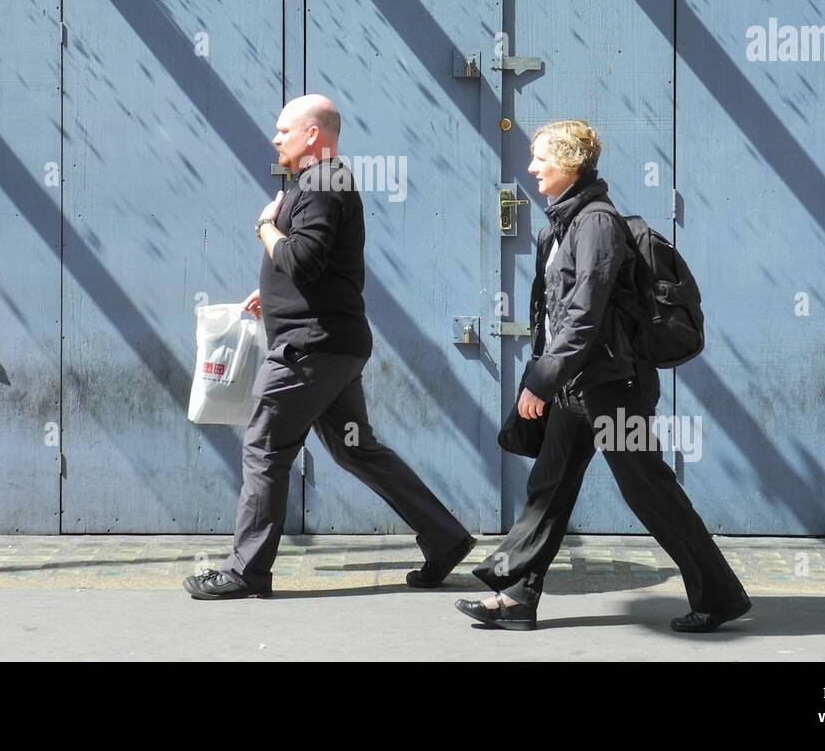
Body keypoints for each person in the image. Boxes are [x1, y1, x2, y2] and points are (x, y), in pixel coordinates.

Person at [455, 120, 751, 632]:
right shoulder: (561, 225)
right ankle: (517, 597)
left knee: (649, 492)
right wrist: (550, 380)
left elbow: (584, 316)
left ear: (568, 163)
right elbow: (558, 316)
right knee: (548, 487)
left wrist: (540, 380)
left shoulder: (595, 223)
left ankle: (720, 594)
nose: (531, 167)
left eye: (539, 157)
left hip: (615, 390)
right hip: (579, 387)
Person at [184, 94, 475, 600]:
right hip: (333, 345)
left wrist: (264, 228)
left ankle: (245, 571)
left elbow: (304, 259)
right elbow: (312, 263)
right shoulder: (321, 182)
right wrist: (271, 287)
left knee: (265, 449)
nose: (275, 139)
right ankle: (446, 537)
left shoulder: (320, 181)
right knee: (355, 448)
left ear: (312, 135)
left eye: (283, 130)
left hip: (308, 349)